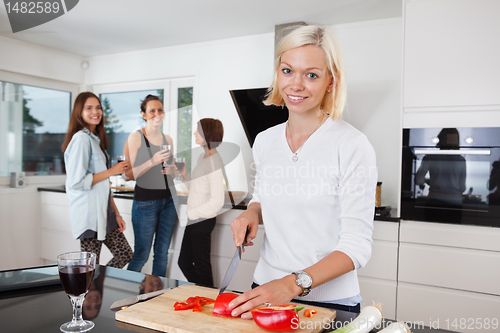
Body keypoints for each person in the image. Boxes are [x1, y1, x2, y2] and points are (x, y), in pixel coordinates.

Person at [229, 25, 377, 318]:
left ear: (331, 82)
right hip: (267, 290)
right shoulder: (264, 141)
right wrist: (251, 213)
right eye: (287, 71)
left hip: (329, 303)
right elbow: (261, 197)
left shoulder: (352, 145)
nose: (296, 84)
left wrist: (293, 284)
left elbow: (357, 246)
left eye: (311, 75)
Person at [63, 92, 133, 268]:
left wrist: (115, 213)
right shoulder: (81, 139)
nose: (95, 112)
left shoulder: (94, 140)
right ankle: (91, 290)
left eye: (98, 107)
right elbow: (77, 182)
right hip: (89, 215)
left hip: (104, 213)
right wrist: (111, 171)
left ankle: (98, 285)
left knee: (124, 253)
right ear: (79, 112)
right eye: (89, 108)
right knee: (89, 266)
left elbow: (103, 185)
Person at [124, 94, 178, 277]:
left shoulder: (168, 139)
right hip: (145, 203)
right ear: (144, 114)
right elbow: (128, 175)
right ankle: (127, 291)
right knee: (141, 254)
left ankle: (158, 295)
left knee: (162, 254)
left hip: (169, 201)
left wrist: (173, 170)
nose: (157, 114)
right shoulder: (136, 138)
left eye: (160, 110)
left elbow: (169, 169)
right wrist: (152, 160)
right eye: (152, 110)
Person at [177, 118, 225, 287]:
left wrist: (193, 214)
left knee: (202, 266)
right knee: (184, 262)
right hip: (195, 219)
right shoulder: (203, 158)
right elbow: (197, 190)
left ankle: (207, 301)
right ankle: (202, 295)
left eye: (198, 130)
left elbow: (218, 201)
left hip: (201, 220)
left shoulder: (214, 162)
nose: (194, 133)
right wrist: (185, 175)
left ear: (207, 134)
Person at [415, 128, 466, 223]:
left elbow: (418, 180)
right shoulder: (461, 160)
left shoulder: (429, 157)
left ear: (440, 140)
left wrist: (428, 181)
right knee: (452, 235)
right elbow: (462, 187)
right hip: (454, 204)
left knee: (432, 234)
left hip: (434, 202)